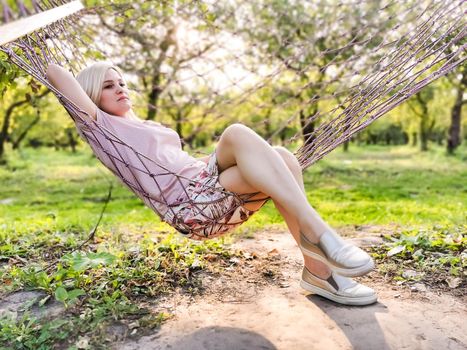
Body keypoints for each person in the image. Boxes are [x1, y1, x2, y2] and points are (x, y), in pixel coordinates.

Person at [46, 61, 377, 306]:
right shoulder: (99, 128)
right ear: (89, 96)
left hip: (205, 184)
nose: (120, 88)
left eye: (121, 82)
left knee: (284, 158)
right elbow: (55, 74)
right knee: (235, 132)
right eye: (107, 86)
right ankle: (324, 237)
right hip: (190, 204)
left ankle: (318, 273)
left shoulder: (140, 124)